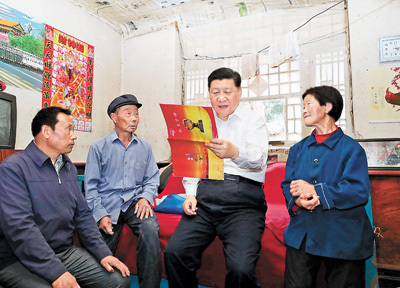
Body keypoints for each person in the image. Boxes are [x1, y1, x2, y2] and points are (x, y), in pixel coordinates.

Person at [0, 106, 130, 288]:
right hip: (17, 257)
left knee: (118, 280)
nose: (74, 135)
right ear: (46, 131)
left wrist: (103, 253)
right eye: (69, 129)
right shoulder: (14, 168)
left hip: (62, 252)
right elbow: (20, 228)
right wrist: (57, 272)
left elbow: (83, 216)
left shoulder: (67, 167)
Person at [164, 67, 269, 288]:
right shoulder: (198, 122)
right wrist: (190, 194)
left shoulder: (254, 120)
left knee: (241, 269)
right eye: (215, 92)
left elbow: (259, 160)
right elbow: (192, 163)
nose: (221, 98)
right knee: (175, 253)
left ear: (239, 92)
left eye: (227, 91)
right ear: (209, 93)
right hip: (205, 199)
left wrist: (235, 153)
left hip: (243, 202)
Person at [281, 86, 374, 287]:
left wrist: (316, 191)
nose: (303, 109)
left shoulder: (352, 149)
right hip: (303, 232)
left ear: (327, 107)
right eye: (302, 105)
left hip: (343, 234)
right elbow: (288, 184)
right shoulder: (297, 150)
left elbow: (357, 191)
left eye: (309, 104)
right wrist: (298, 199)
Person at [85, 94, 162, 288]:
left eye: (136, 114)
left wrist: (145, 198)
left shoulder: (144, 147)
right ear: (114, 117)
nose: (134, 118)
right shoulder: (98, 148)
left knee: (150, 230)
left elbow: (152, 179)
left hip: (135, 202)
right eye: (128, 113)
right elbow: (91, 187)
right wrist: (100, 215)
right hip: (108, 204)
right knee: (99, 253)